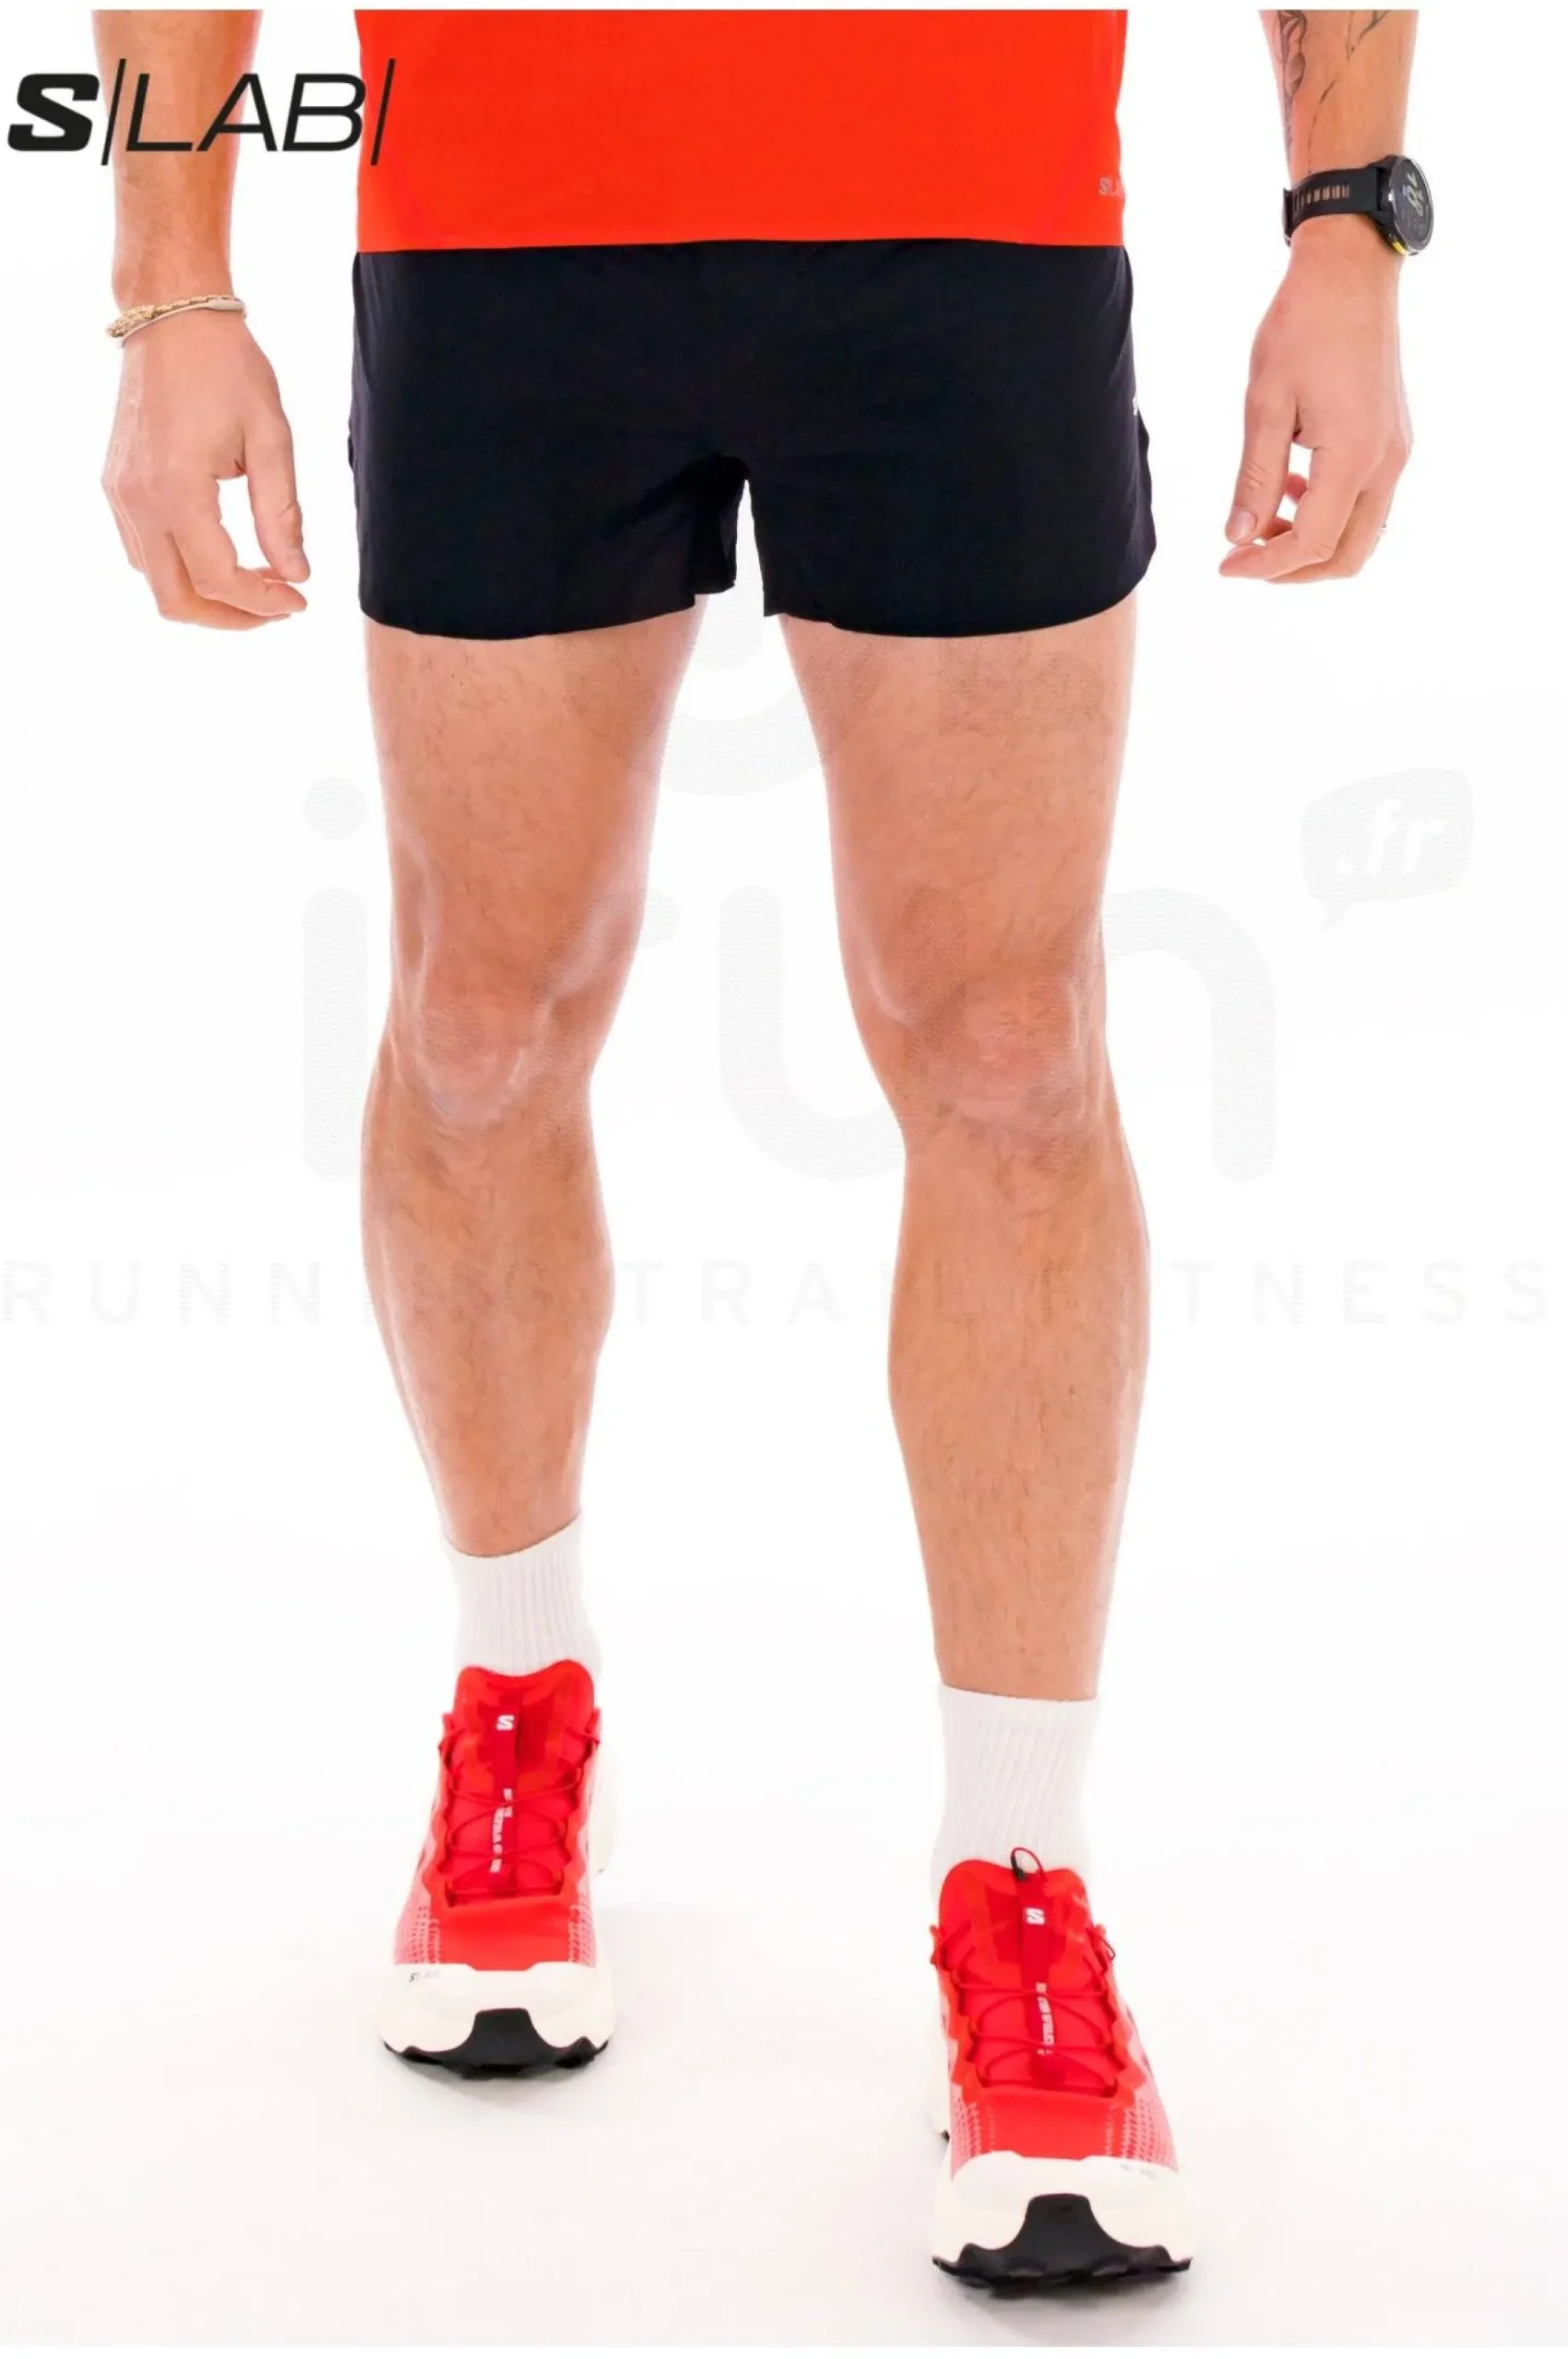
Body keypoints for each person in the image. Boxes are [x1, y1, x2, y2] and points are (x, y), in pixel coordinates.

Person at [95, 7, 1421, 2291]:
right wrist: (169, 286)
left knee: (1008, 1048)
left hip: (966, 206)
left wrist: (1345, 225)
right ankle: (518, 1698)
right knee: (480, 1024)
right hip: (504, 209)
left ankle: (1020, 1880)